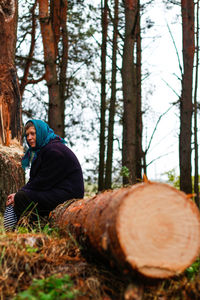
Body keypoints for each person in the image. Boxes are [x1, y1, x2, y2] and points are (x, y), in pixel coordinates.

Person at [4, 119, 84, 231]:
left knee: (22, 198)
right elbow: (36, 181)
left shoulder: (54, 150)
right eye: (27, 135)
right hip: (57, 190)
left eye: (33, 133)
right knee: (21, 196)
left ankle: (25, 228)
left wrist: (18, 195)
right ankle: (23, 227)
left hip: (68, 196)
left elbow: (43, 182)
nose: (29, 138)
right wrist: (18, 194)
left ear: (41, 132)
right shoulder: (43, 150)